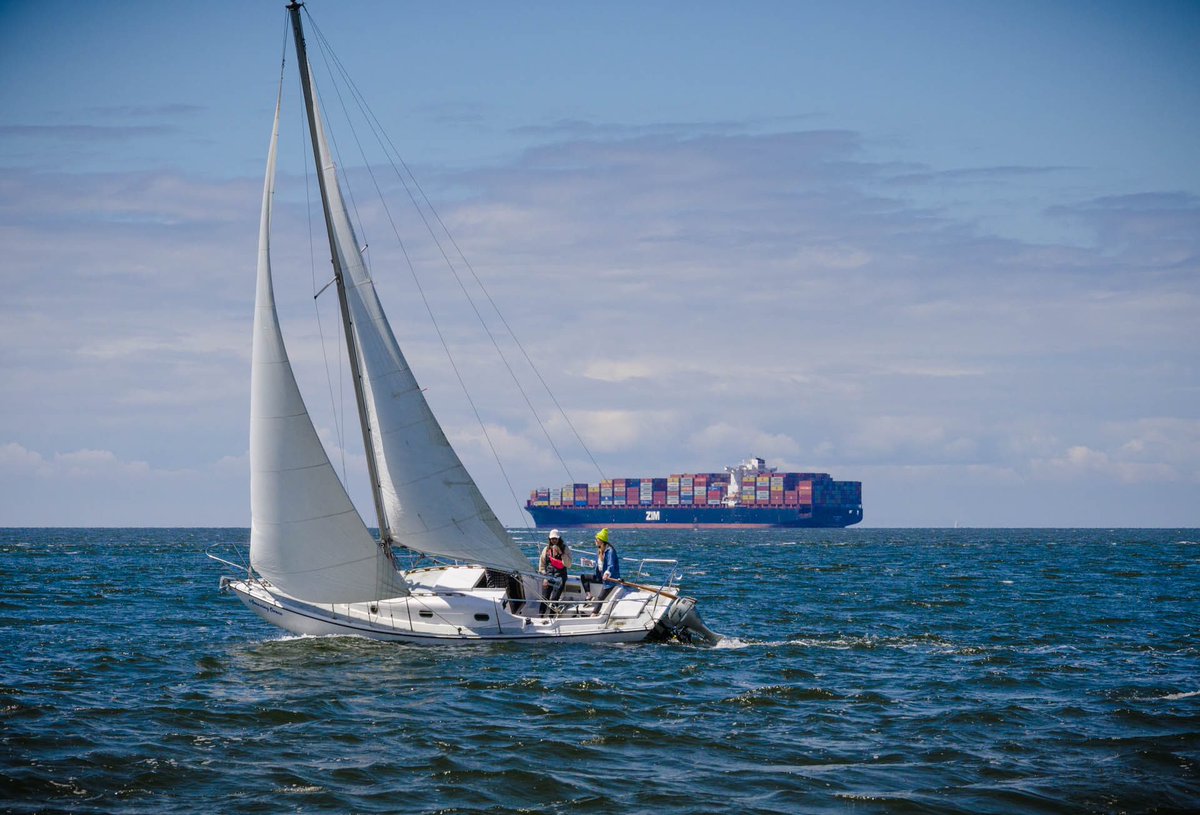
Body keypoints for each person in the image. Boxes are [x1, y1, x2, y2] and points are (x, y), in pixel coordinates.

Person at [581, 527, 620, 605]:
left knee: (599, 599)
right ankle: (589, 596)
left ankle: (594, 613)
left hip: (608, 580)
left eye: (596, 539)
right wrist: (589, 562)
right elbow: (599, 564)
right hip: (600, 577)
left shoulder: (610, 551)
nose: (595, 541)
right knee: (583, 577)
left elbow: (610, 565)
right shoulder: (600, 550)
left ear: (601, 541)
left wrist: (607, 573)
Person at [538, 529, 571, 615]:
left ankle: (551, 617)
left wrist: (561, 553)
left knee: (554, 599)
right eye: (552, 539)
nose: (554, 540)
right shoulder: (546, 549)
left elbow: (568, 564)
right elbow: (542, 565)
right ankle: (540, 616)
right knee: (544, 598)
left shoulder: (565, 548)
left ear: (559, 539)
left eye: (555, 538)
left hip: (560, 577)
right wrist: (545, 578)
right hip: (548, 577)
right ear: (549, 539)